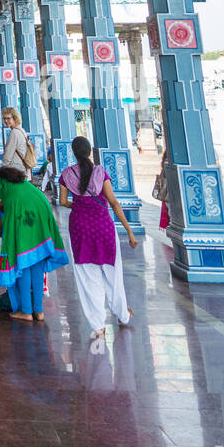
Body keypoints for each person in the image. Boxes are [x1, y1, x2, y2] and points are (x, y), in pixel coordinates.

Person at [59, 136, 136, 338]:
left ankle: (97, 325)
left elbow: (62, 201)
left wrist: (77, 204)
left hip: (80, 229)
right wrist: (129, 230)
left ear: (74, 153)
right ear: (89, 152)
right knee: (113, 274)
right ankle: (122, 315)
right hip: (103, 228)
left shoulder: (66, 174)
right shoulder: (101, 173)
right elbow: (114, 203)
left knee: (87, 276)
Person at [0, 165, 68, 323]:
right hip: (41, 204)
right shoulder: (9, 178)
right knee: (36, 261)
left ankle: (26, 311)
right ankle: (39, 311)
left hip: (22, 212)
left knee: (22, 263)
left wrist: (4, 233)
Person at [1, 107, 33, 176]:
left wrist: (2, 169)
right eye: (4, 118)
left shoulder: (14, 133)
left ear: (15, 118)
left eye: (8, 118)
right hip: (23, 169)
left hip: (15, 171)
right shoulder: (21, 130)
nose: (6, 121)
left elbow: (7, 156)